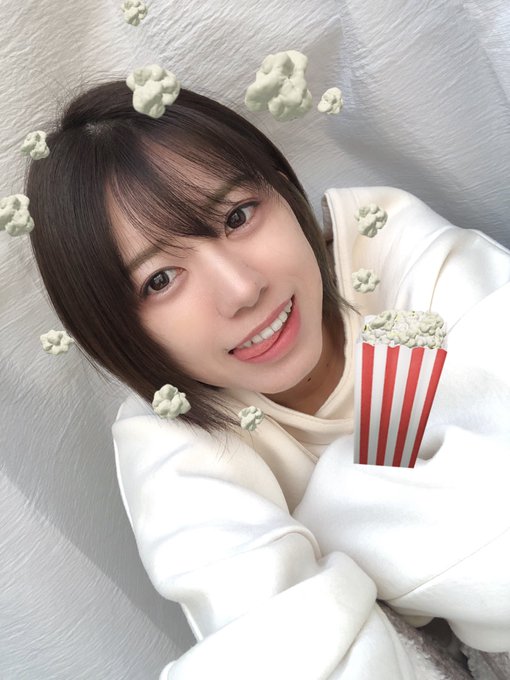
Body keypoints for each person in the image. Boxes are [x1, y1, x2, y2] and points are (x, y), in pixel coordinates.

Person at [24, 80, 510, 678]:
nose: (241, 290)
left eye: (237, 216)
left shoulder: (389, 250)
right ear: (118, 330)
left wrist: (329, 526)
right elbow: (288, 659)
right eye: (161, 280)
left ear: (284, 188)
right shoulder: (171, 438)